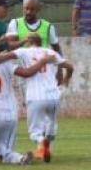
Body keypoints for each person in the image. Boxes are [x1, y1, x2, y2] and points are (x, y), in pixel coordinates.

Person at [15, 34, 74, 162]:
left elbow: (7, 55)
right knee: (51, 122)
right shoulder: (51, 53)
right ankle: (46, 149)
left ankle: (41, 142)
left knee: (35, 132)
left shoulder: (23, 51)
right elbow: (70, 67)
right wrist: (66, 80)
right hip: (53, 95)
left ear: (28, 42)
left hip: (35, 96)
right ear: (41, 42)